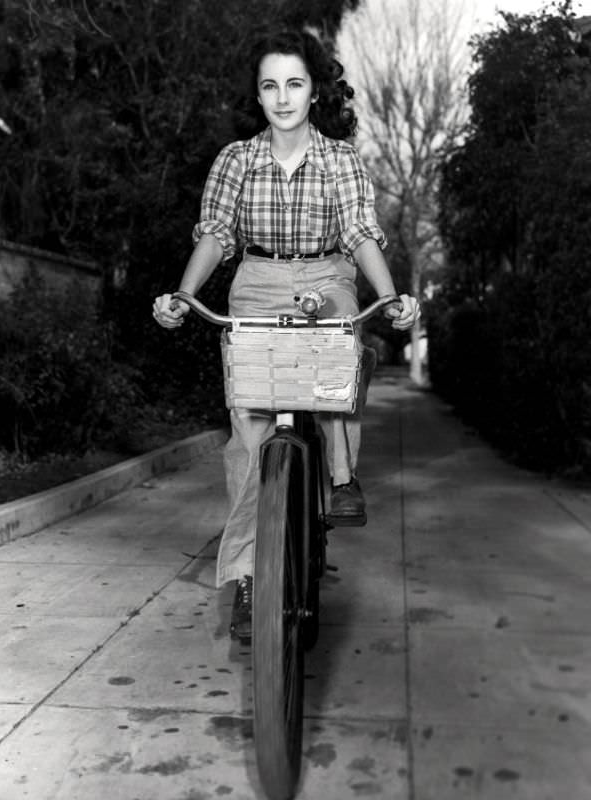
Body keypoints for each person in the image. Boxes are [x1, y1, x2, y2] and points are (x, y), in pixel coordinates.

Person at [152, 28, 420, 640]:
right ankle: (251, 576)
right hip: (257, 279)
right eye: (270, 85)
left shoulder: (341, 160)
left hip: (328, 276)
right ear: (258, 95)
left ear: (313, 93)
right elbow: (217, 234)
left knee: (336, 358)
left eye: (293, 83)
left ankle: (342, 476)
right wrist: (185, 295)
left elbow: (358, 232)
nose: (282, 97)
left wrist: (387, 296)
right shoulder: (236, 160)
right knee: (248, 434)